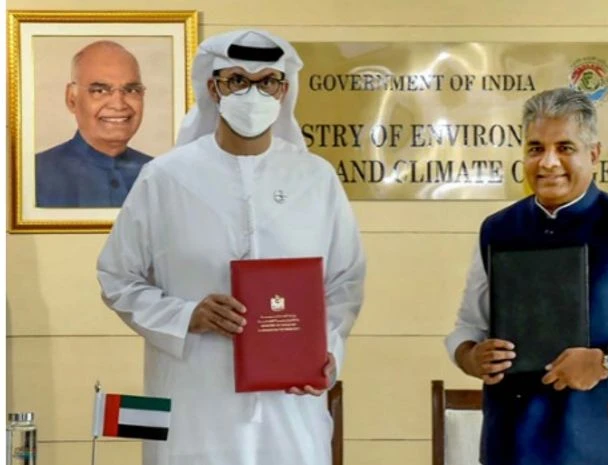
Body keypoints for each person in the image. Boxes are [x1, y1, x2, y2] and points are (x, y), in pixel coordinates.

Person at [96, 30, 366, 465]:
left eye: (267, 81)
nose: (253, 92)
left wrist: (324, 351)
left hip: (290, 409)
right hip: (195, 403)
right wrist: (186, 315)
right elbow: (117, 277)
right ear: (213, 87)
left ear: (283, 90)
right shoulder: (166, 177)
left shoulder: (314, 178)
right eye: (238, 79)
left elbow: (345, 281)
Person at [446, 88, 608, 465]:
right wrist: (471, 357)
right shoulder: (496, 231)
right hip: (514, 447)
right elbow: (467, 329)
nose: (548, 163)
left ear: (593, 155)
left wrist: (604, 361)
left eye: (564, 147)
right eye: (535, 148)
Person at [36, 40, 152, 208]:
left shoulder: (160, 174)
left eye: (131, 90)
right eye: (100, 91)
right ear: (72, 99)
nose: (118, 104)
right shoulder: (32, 175)